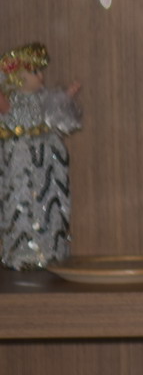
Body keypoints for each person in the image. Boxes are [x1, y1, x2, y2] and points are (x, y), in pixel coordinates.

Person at [0, 42, 82, 271]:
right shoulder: (13, 101)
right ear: (18, 77)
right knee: (21, 201)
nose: (40, 76)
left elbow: (56, 110)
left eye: (39, 71)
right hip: (21, 159)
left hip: (45, 158)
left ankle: (49, 247)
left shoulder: (43, 97)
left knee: (47, 202)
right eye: (34, 71)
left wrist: (68, 94)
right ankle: (22, 249)